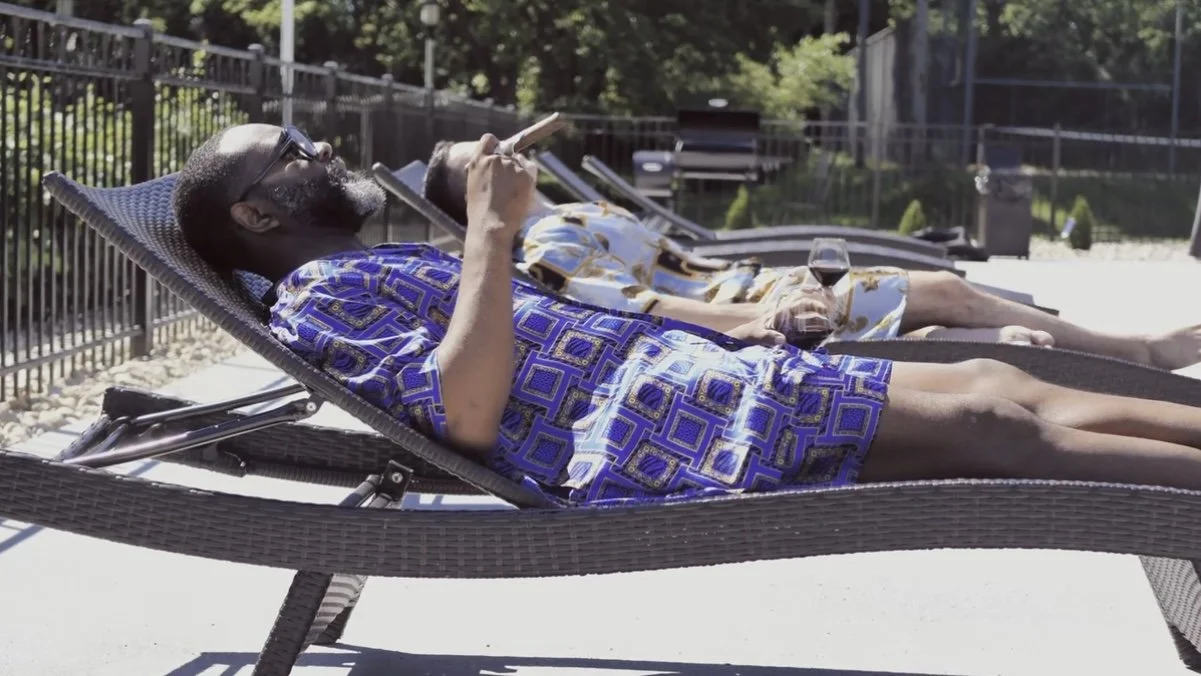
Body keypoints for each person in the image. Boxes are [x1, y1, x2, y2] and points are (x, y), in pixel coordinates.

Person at [173, 123, 1201, 508]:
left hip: (683, 373)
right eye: (293, 153)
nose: (321, 151)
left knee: (995, 387)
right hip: (660, 428)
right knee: (989, 429)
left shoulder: (373, 265)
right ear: (257, 214)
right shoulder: (317, 300)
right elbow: (468, 412)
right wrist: (490, 231)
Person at [423, 138, 1201, 370]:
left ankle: (943, 344)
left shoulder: (579, 208)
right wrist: (768, 310)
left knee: (948, 308)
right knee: (946, 289)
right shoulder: (547, 244)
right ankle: (1134, 352)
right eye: (482, 157)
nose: (503, 149)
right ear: (478, 195)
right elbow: (646, 312)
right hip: (741, 306)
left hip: (745, 283)